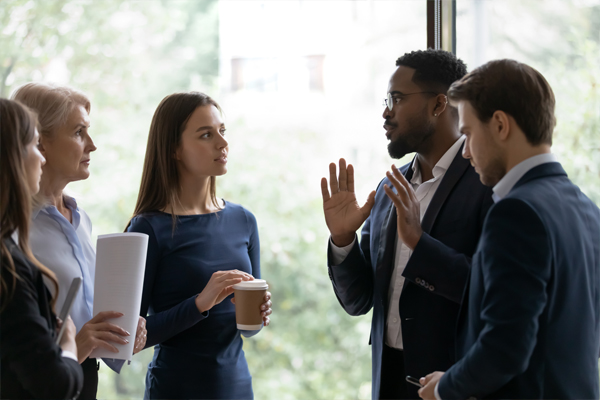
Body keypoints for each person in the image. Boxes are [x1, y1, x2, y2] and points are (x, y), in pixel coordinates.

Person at [418, 59, 600, 399]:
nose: (467, 152)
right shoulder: (587, 209)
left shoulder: (516, 213)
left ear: (500, 124)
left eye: (469, 134)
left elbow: (506, 347)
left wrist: (446, 387)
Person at [320, 49, 494, 399]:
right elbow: (359, 301)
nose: (385, 112)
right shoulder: (389, 188)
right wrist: (342, 239)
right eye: (387, 100)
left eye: (396, 99)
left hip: (451, 383)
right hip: (388, 381)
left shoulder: (486, 184)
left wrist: (420, 244)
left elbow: (491, 291)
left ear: (438, 104)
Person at [126, 91, 273, 400]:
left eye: (222, 131)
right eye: (206, 135)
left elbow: (248, 330)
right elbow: (128, 337)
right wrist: (200, 303)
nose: (222, 143)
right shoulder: (148, 227)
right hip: (175, 389)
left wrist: (257, 315)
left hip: (237, 386)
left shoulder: (244, 220)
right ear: (174, 150)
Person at [12, 83, 148, 400]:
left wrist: (124, 333)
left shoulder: (80, 218)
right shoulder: (14, 230)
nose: (92, 145)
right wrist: (78, 345)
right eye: (78, 132)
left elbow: (84, 318)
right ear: (39, 143)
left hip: (84, 383)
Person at [0, 98, 84, 399]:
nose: (42, 158)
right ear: (14, 157)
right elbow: (54, 383)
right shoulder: (7, 266)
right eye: (36, 145)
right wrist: (68, 346)